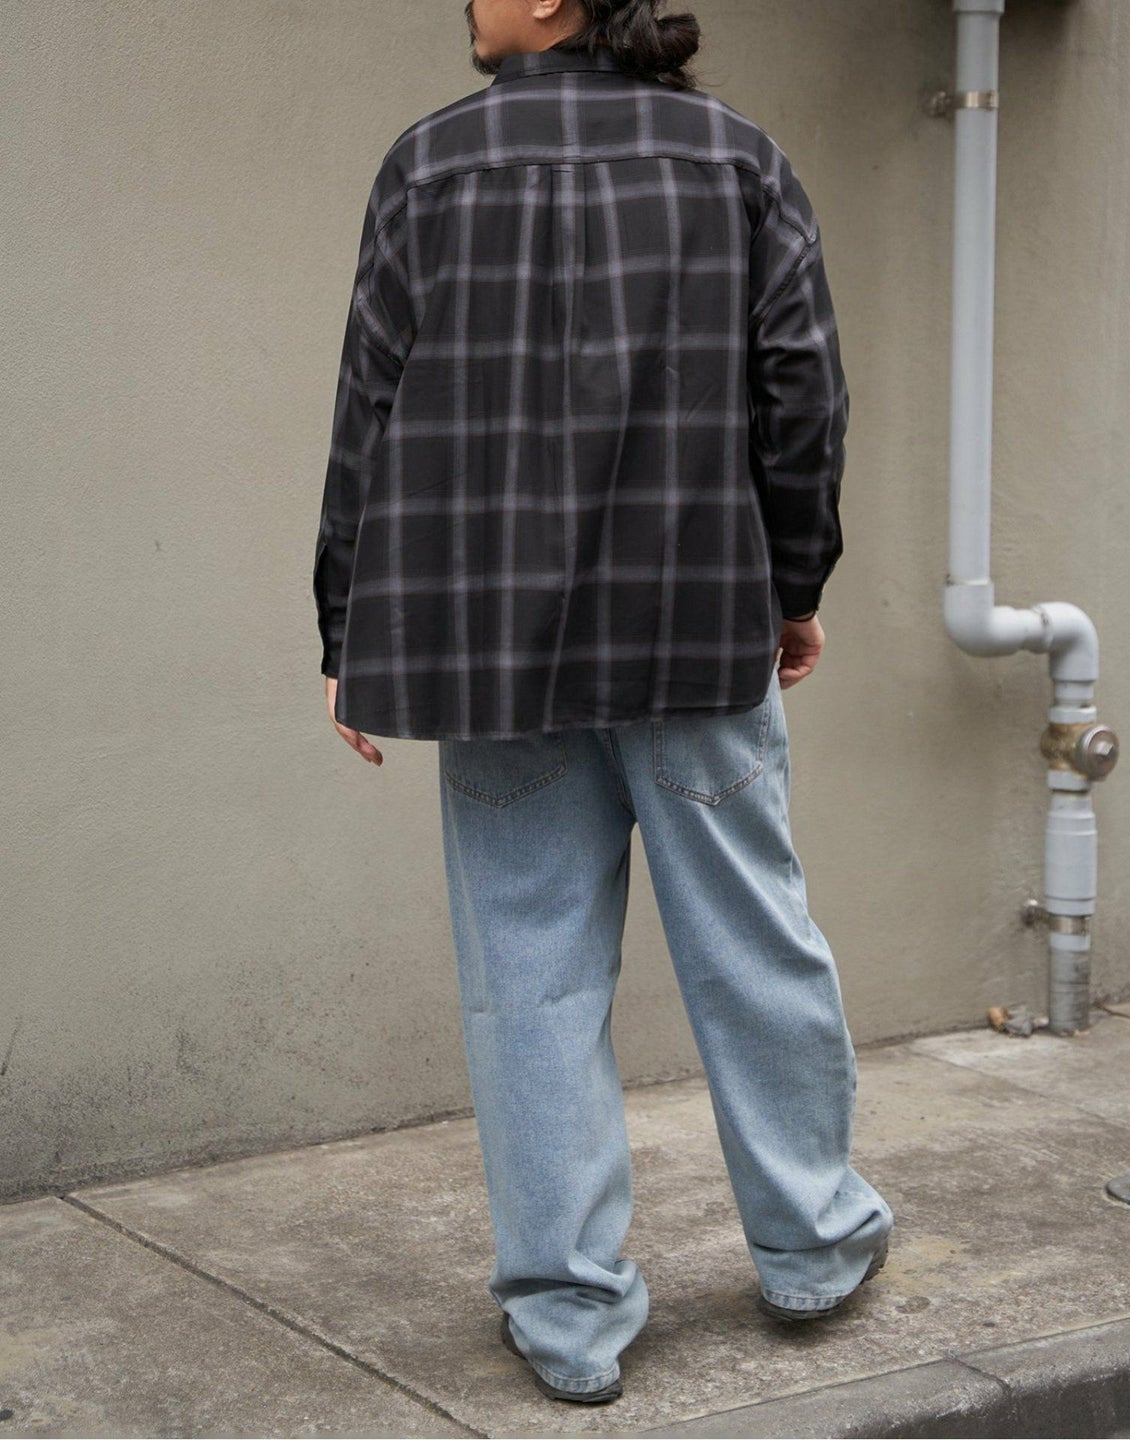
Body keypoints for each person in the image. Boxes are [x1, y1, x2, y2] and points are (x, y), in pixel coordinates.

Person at [312, 0, 894, 1406]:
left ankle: (568, 1314)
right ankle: (813, 1246)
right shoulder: (737, 159)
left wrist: (349, 622)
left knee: (529, 975)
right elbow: (803, 395)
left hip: (493, 648)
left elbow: (368, 409)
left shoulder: (430, 164)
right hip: (692, 624)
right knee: (753, 942)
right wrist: (792, 586)